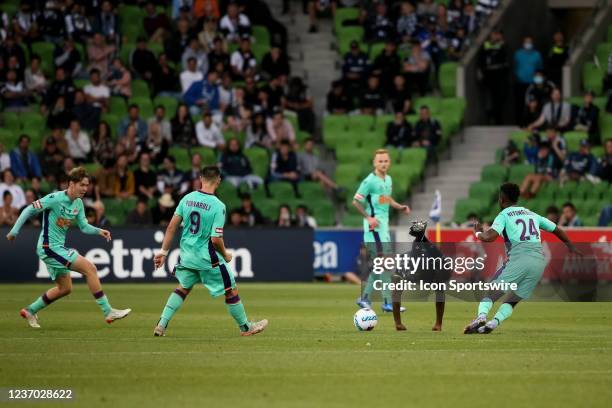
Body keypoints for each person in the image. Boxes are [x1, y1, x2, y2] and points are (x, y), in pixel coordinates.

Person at [6, 167, 131, 328]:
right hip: (48, 247)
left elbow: (84, 226)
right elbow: (29, 209)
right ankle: (108, 311)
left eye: (87, 185)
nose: (86, 189)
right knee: (90, 268)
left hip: (57, 247)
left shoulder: (78, 203)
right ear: (71, 184)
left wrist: (99, 231)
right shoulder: (54, 199)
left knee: (65, 288)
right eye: (82, 185)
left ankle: (30, 310)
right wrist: (14, 231)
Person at [152, 165, 268, 337]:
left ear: (200, 178)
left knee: (183, 288)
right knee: (231, 289)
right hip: (208, 259)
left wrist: (163, 252)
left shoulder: (187, 199)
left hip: (187, 256)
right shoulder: (218, 206)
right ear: (218, 181)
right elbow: (215, 239)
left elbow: (171, 227)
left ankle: (161, 325)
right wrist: (226, 254)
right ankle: (246, 327)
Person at [464, 182, 580, 334]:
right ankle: (493, 323)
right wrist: (570, 246)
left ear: (501, 199)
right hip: (538, 263)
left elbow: (490, 237)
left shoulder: (504, 215)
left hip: (520, 259)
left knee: (492, 291)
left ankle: (481, 317)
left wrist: (478, 232)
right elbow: (556, 229)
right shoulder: (532, 214)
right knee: (513, 299)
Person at [353, 149, 411, 313]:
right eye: (380, 161)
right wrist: (369, 218)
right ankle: (379, 301)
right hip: (374, 227)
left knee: (383, 265)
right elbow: (356, 201)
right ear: (374, 163)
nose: (383, 164)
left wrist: (400, 207)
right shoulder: (369, 181)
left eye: (386, 161)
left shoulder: (388, 179)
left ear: (389, 162)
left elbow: (385, 198)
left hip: (383, 226)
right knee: (384, 263)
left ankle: (373, 300)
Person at [513, 36, 543, 121]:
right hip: (520, 83)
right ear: (523, 43)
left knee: (533, 104)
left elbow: (540, 69)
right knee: (519, 104)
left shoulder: (537, 55)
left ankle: (532, 123)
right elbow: (515, 67)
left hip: (532, 84)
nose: (528, 44)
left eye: (530, 42)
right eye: (526, 42)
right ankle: (519, 123)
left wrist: (538, 83)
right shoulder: (517, 54)